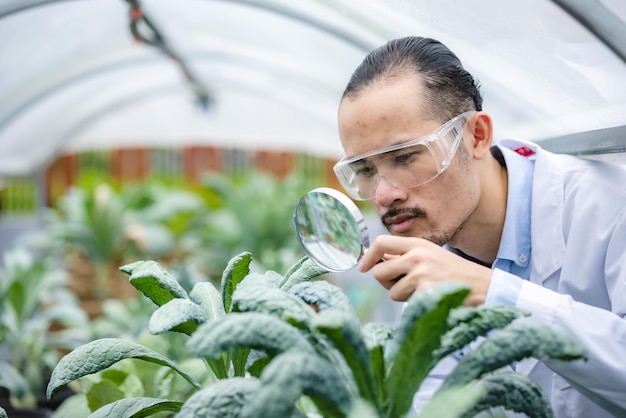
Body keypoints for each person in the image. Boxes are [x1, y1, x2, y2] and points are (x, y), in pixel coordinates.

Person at [334, 36, 626, 417]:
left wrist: (494, 293)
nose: (384, 194)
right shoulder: (428, 281)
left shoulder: (608, 207)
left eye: (405, 157)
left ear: (476, 136)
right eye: (364, 170)